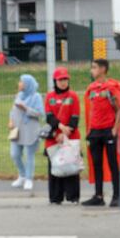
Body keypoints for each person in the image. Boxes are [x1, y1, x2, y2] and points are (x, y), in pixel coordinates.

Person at [82, 58, 120, 207]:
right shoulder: (91, 88)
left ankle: (117, 195)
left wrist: (114, 128)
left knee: (113, 164)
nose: (91, 70)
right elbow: (91, 109)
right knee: (96, 164)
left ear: (102, 69)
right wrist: (89, 130)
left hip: (108, 130)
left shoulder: (112, 87)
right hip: (95, 131)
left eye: (94, 68)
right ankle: (98, 196)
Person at [44, 67, 81, 204]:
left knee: (71, 166)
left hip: (70, 137)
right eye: (60, 80)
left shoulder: (73, 96)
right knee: (55, 167)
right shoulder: (49, 97)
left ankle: (73, 196)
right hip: (54, 137)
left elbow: (75, 117)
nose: (63, 82)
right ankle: (55, 197)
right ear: (55, 81)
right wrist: (59, 129)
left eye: (65, 79)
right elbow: (49, 117)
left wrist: (66, 132)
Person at [9, 73, 44, 191]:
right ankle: (22, 175)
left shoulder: (36, 96)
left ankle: (29, 178)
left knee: (29, 155)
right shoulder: (19, 95)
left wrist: (26, 109)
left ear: (28, 84)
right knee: (15, 154)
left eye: (21, 82)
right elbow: (12, 110)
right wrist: (11, 121)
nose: (19, 84)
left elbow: (40, 113)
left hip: (31, 130)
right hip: (17, 130)